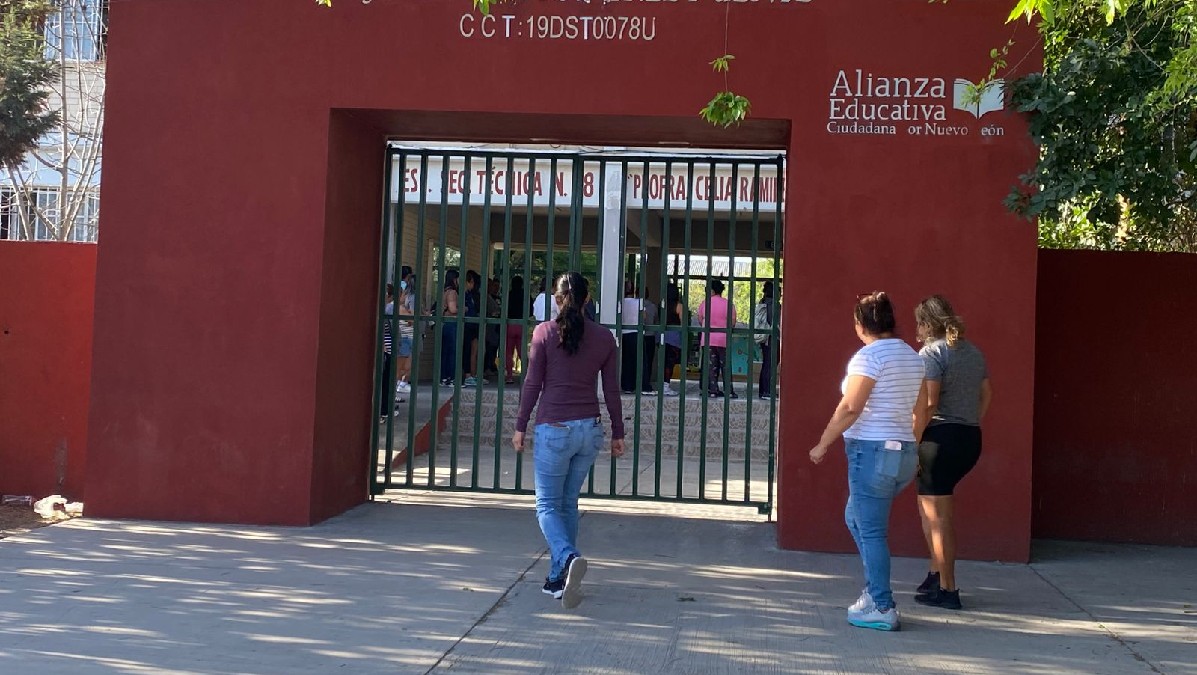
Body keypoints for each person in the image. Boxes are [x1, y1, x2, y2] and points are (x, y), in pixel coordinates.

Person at [809, 292, 929, 632]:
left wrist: (822, 443)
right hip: (902, 453)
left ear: (861, 325)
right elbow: (922, 409)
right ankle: (873, 591)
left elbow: (851, 407)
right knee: (856, 518)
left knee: (872, 530)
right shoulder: (913, 357)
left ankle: (881, 604)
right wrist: (910, 445)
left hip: (872, 452)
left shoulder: (869, 357)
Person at [512, 272, 625, 609]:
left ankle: (568, 555)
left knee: (547, 505)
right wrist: (618, 431)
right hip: (589, 429)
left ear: (556, 299)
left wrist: (520, 425)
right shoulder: (604, 338)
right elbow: (611, 389)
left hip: (554, 427)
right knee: (567, 504)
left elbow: (532, 383)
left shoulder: (544, 333)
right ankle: (557, 579)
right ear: (588, 299)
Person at [912, 295, 991, 611]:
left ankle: (948, 589)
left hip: (938, 440)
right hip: (969, 437)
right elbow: (987, 394)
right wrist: (970, 421)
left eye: (919, 323)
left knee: (938, 519)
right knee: (929, 512)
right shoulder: (973, 352)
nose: (916, 330)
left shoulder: (931, 353)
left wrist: (913, 440)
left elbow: (930, 403)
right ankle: (935, 574)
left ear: (927, 324)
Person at [697, 279, 737, 398]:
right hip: (723, 339)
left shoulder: (705, 303)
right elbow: (732, 322)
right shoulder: (728, 304)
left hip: (708, 339)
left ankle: (713, 390)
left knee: (711, 366)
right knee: (725, 366)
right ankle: (729, 391)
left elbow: (700, 319)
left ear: (712, 290)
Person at [754, 281, 778, 401]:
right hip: (772, 338)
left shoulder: (762, 302)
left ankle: (763, 390)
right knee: (770, 365)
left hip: (764, 338)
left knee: (766, 364)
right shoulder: (774, 305)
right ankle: (767, 391)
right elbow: (775, 322)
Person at [395, 273, 418, 400]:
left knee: (405, 365)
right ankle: (398, 386)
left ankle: (399, 385)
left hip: (406, 337)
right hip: (405, 338)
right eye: (404, 294)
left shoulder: (400, 307)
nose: (405, 296)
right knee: (403, 366)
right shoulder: (400, 308)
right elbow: (412, 320)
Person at [462, 270, 485, 386]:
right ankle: (467, 375)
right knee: (467, 350)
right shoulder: (463, 294)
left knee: (475, 351)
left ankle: (474, 375)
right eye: (471, 282)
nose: (473, 285)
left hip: (474, 324)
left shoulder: (470, 294)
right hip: (467, 325)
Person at [660, 284, 684, 397]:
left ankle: (662, 384)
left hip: (661, 335)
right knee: (670, 362)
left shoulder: (662, 304)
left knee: (663, 361)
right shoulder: (678, 306)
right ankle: (665, 385)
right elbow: (683, 322)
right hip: (673, 336)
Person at [619, 281, 643, 393]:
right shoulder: (638, 302)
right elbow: (644, 316)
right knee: (637, 360)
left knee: (625, 361)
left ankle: (626, 385)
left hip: (623, 333)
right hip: (635, 332)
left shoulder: (620, 302)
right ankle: (638, 384)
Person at [504, 275, 528, 385]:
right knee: (522, 351)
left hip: (510, 324)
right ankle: (526, 375)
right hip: (522, 324)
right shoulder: (526, 295)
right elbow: (530, 310)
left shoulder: (508, 295)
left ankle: (509, 376)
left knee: (509, 352)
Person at [439, 269, 460, 386]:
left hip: (445, 324)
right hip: (451, 323)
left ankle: (443, 377)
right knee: (452, 351)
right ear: (454, 279)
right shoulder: (452, 292)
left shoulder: (444, 291)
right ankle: (451, 377)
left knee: (445, 351)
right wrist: (464, 309)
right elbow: (452, 309)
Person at [380, 283, 396, 420]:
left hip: (389, 350)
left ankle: (385, 409)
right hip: (386, 350)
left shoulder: (385, 310)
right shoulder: (385, 311)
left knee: (387, 382)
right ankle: (383, 410)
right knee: (384, 382)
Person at [640, 288, 659, 393]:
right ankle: (647, 381)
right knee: (649, 360)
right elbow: (656, 321)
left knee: (639, 360)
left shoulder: (636, 305)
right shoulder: (653, 307)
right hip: (650, 336)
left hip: (639, 335)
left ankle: (639, 381)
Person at [483, 278, 502, 379]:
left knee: (494, 347)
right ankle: (486, 367)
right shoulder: (485, 297)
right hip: (488, 326)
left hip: (496, 326)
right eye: (493, 285)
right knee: (488, 347)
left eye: (497, 286)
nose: (495, 288)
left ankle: (491, 365)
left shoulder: (497, 298)